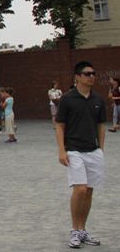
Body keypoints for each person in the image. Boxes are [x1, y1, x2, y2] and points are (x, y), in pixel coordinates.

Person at [55, 61, 106, 248]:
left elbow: (101, 126)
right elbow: (59, 126)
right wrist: (62, 150)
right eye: (87, 73)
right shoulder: (67, 99)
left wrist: (100, 149)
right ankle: (74, 230)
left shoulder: (98, 100)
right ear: (77, 77)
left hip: (93, 151)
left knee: (89, 191)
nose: (91, 76)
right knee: (80, 189)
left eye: (93, 73)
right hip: (74, 150)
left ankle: (83, 230)